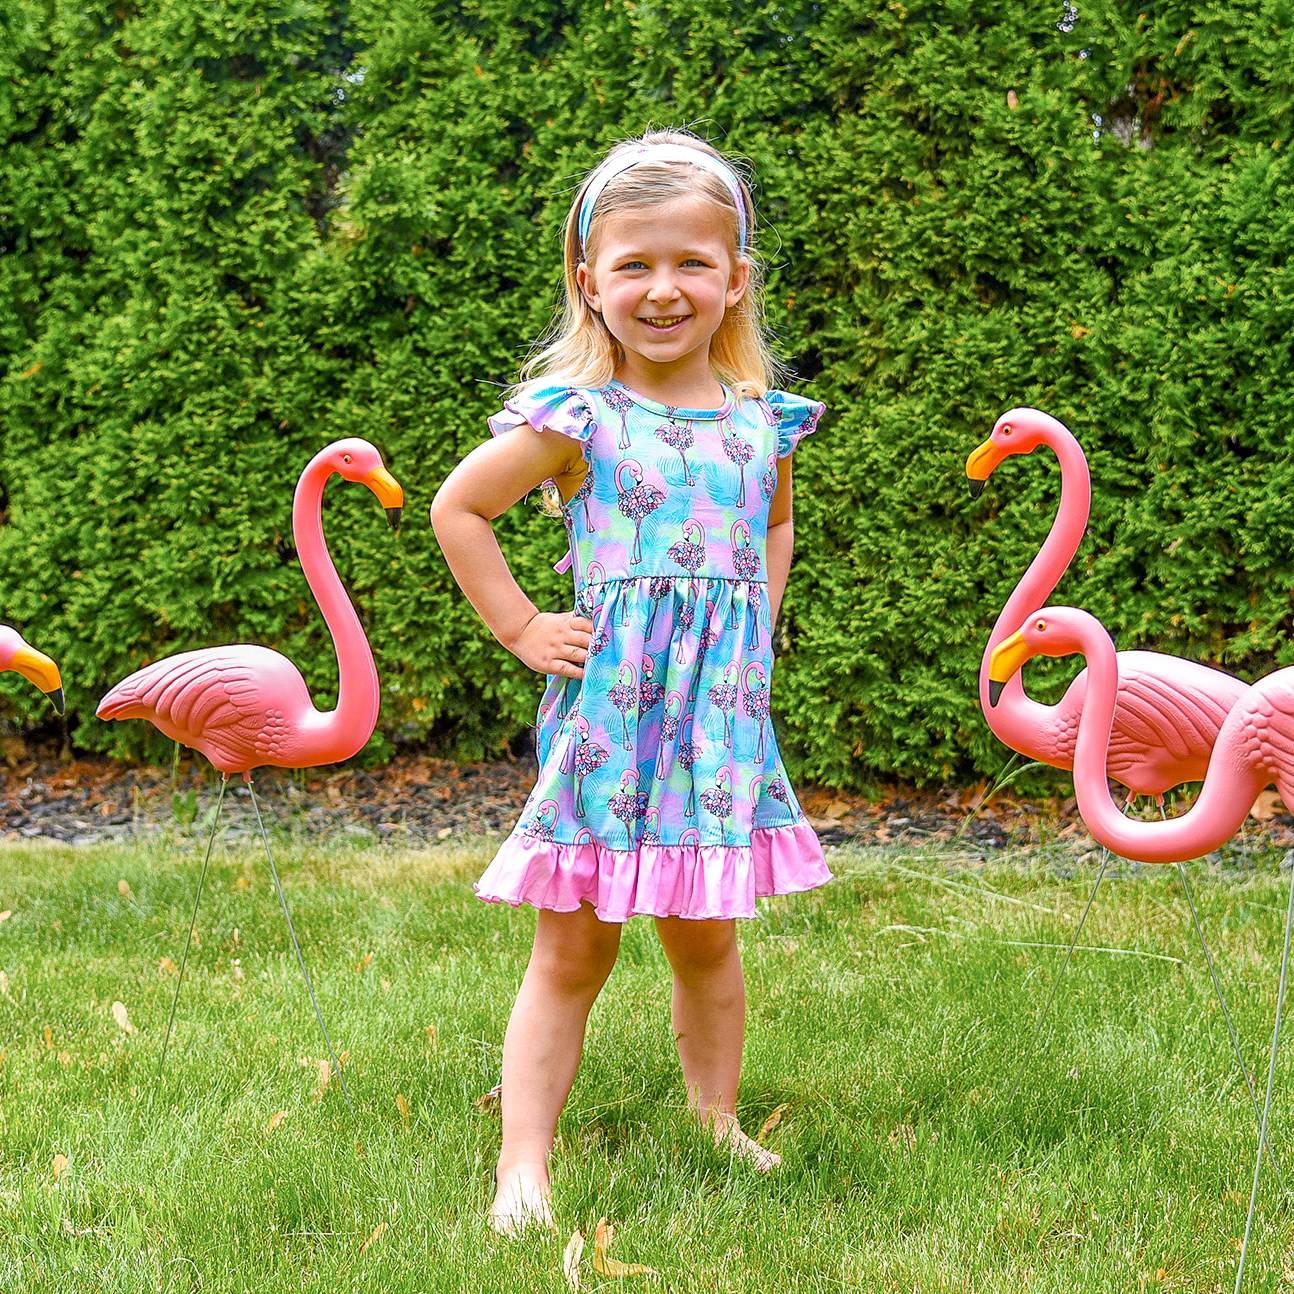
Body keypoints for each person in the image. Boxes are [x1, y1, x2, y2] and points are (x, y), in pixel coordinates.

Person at [430, 128, 831, 1234]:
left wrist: (753, 631)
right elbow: (456, 509)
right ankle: (523, 1164)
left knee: (707, 933)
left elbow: (776, 526)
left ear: (736, 277)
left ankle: (714, 1119)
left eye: (693, 262)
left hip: (718, 720)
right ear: (589, 284)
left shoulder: (762, 423)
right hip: (612, 718)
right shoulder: (579, 420)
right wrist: (519, 624)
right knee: (576, 939)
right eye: (634, 265)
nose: (665, 288)